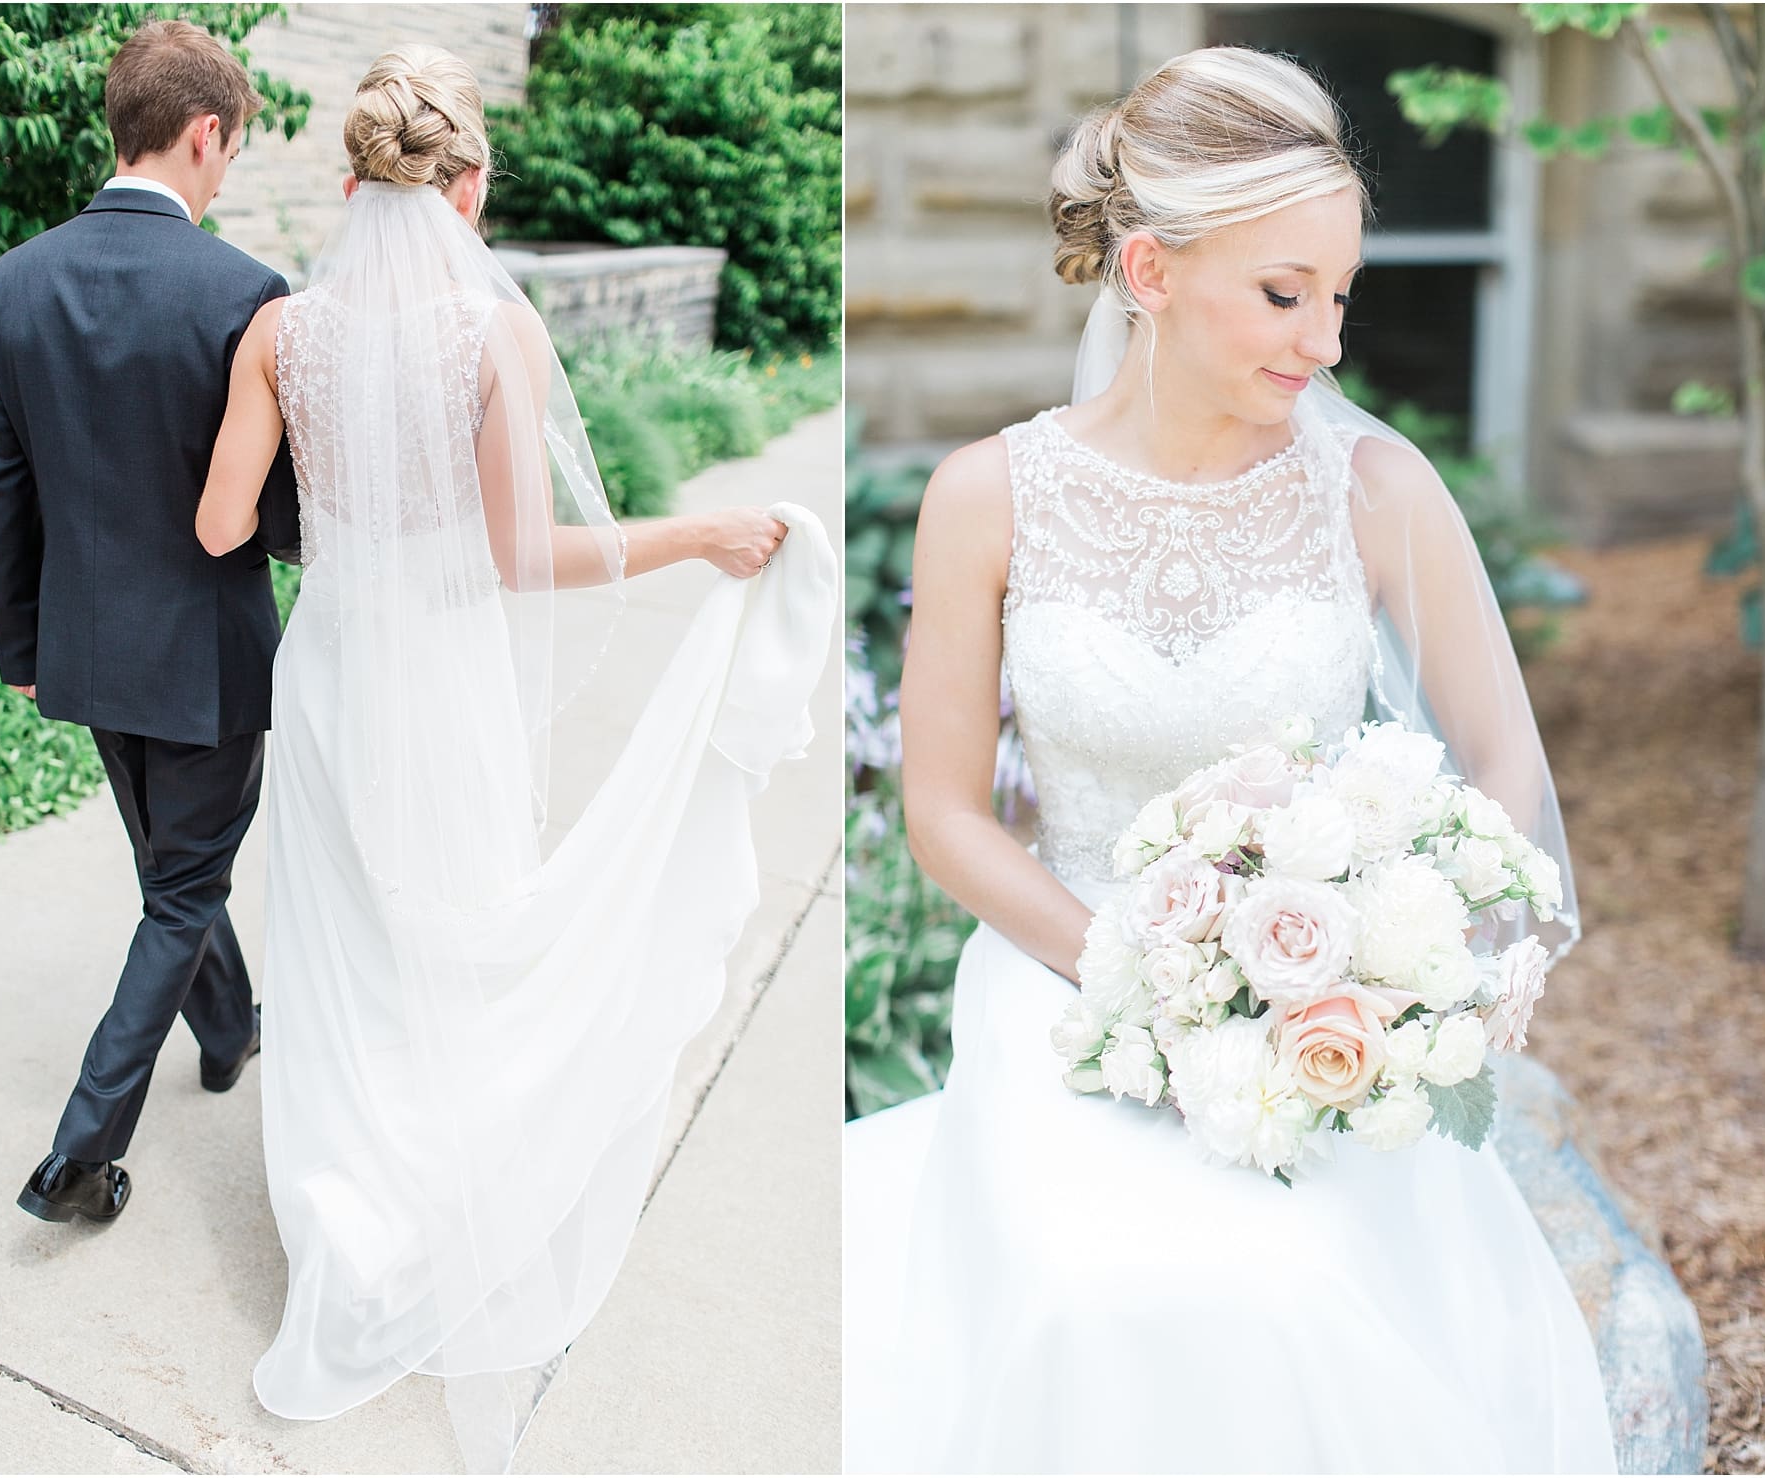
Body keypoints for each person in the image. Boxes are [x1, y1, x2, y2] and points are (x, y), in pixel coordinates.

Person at [843, 47, 1617, 1474]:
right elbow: (943, 810)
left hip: (1317, 1007)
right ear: (1148, 272)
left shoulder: (1373, 490)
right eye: (1282, 294)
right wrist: (1131, 975)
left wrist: (1398, 954)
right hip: (1065, 981)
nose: (1324, 341)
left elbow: (1501, 754)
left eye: (1340, 297)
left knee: (1289, 1289)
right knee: (1088, 1291)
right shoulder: (987, 496)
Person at [192, 47, 835, 1471]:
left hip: (332, 666)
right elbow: (520, 556)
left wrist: (341, 511)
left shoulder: (280, 329)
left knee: (346, 947)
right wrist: (698, 535)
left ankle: (345, 1225)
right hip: (440, 675)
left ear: (351, 185)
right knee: (456, 924)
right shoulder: (494, 333)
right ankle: (442, 1215)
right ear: (471, 186)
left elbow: (225, 525)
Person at [0, 19, 303, 1227]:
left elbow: (0, 484)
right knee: (182, 886)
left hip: (85, 649)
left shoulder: (15, 282)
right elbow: (275, 514)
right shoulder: (244, 292)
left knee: (175, 870)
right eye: (234, 148)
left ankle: (226, 1028)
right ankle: (79, 1151)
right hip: (207, 661)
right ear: (204, 132)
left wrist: (22, 648)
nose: (228, 172)